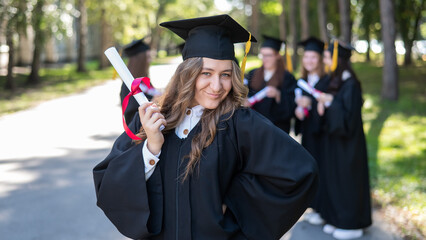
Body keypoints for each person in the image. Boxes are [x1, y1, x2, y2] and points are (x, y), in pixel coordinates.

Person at [93, 14, 318, 240]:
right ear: (187, 73)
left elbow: (300, 172)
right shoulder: (155, 118)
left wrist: (235, 202)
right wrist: (151, 148)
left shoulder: (239, 123)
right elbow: (108, 181)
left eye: (226, 75)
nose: (217, 86)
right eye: (206, 73)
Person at [317, 40, 372, 239]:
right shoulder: (336, 79)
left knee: (347, 180)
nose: (324, 60)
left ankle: (352, 224)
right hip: (335, 141)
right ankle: (336, 219)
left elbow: (349, 118)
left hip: (349, 143)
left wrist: (331, 102)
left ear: (337, 60)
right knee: (335, 179)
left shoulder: (351, 84)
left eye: (326, 57)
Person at [294, 36, 330, 225]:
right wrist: (299, 110)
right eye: (306, 57)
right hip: (308, 133)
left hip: (323, 135)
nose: (309, 61)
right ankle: (315, 207)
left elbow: (329, 107)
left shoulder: (328, 80)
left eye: (313, 57)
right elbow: (300, 107)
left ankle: (324, 209)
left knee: (323, 168)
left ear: (321, 59)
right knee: (311, 169)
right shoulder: (302, 81)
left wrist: (313, 102)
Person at [245, 35, 297, 133]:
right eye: (262, 55)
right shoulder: (253, 74)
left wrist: (278, 95)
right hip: (255, 127)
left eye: (268, 55)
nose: (265, 59)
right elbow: (245, 94)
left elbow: (292, 105)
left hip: (277, 130)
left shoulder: (287, 77)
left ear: (277, 55)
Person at [119, 38, 160, 125]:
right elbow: (131, 116)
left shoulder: (143, 81)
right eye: (148, 57)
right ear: (139, 61)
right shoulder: (128, 86)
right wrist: (154, 101)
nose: (150, 60)